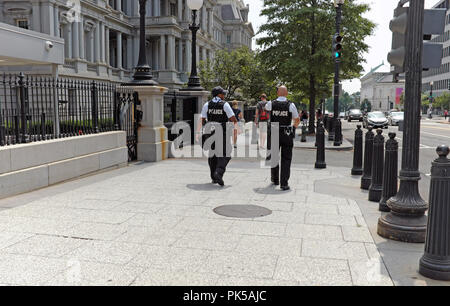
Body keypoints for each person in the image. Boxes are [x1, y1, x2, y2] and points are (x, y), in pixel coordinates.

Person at [196, 86, 237, 186]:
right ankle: (219, 172)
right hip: (221, 131)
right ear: (219, 95)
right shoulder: (225, 104)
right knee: (226, 153)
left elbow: (202, 119)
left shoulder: (207, 104)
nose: (224, 95)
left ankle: (214, 177)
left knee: (212, 154)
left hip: (210, 131)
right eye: (223, 93)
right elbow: (232, 118)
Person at [265, 85, 300, 191]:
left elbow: (266, 109)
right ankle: (284, 183)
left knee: (274, 156)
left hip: (274, 131)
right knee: (286, 158)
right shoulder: (291, 105)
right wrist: (293, 127)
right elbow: (297, 119)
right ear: (287, 93)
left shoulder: (271, 103)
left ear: (277, 93)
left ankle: (275, 179)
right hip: (286, 132)